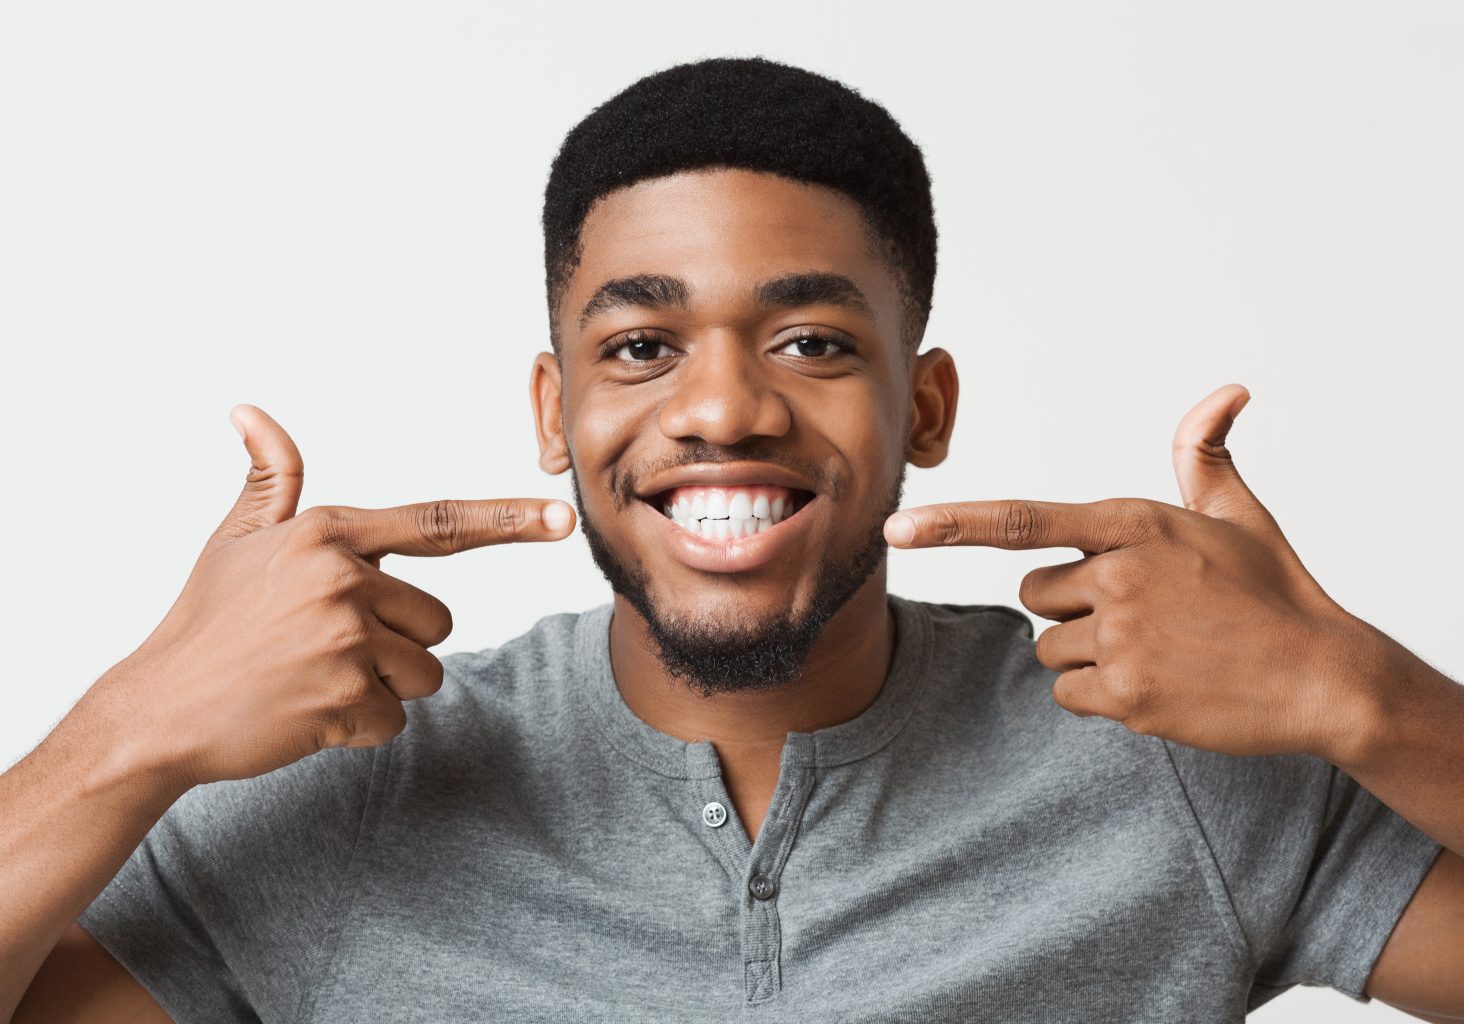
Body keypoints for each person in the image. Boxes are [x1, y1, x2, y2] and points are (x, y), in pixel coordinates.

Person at [3, 56, 1462, 1024]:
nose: (721, 407)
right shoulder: (364, 783)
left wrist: (1362, 696)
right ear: (552, 405)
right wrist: (135, 729)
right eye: (640, 346)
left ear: (926, 404)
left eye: (814, 340)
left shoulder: (1173, 772)